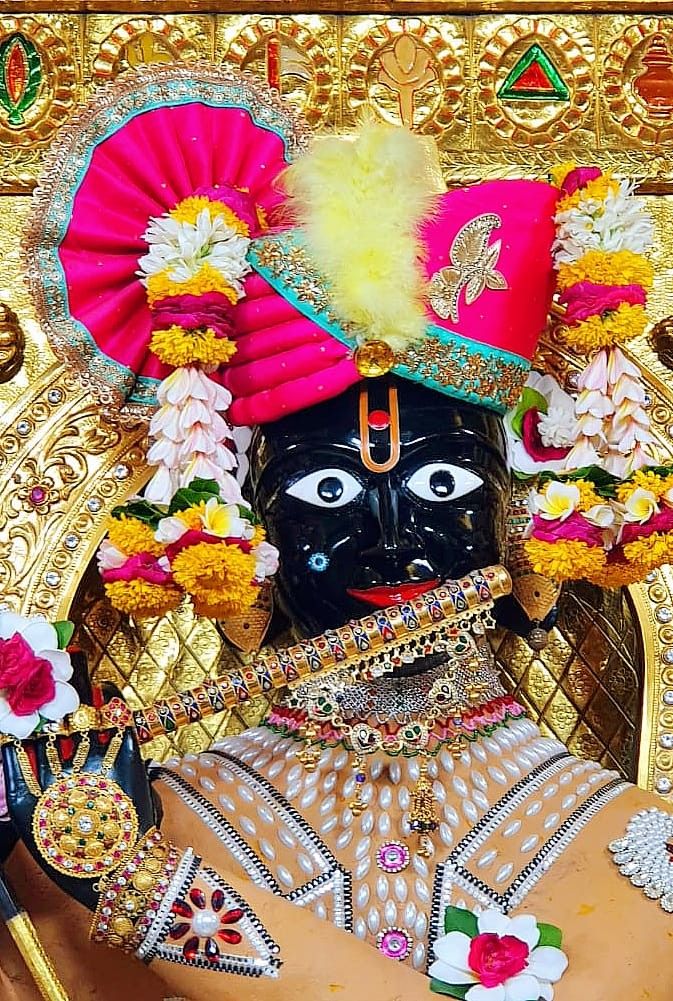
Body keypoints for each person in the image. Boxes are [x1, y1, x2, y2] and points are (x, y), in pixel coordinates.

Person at [1, 63, 672, 1001]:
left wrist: (138, 888)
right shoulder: (144, 816)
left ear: (517, 515)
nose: (391, 540)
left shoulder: (627, 838)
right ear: (245, 525)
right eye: (322, 488)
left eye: (443, 481)